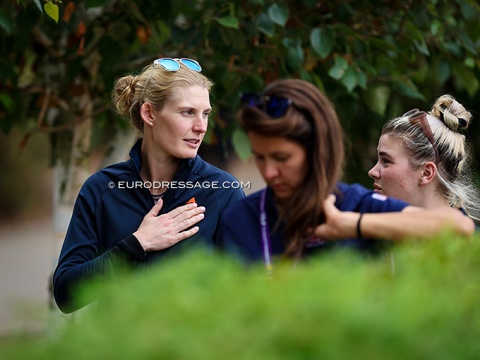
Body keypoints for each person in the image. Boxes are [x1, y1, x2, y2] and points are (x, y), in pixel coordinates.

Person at [53, 58, 245, 313]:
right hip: (121, 351)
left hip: (197, 350)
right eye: (187, 112)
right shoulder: (101, 189)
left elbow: (246, 291)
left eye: (205, 114)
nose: (201, 127)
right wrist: (136, 244)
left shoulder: (223, 191)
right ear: (149, 114)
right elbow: (66, 295)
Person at [216, 79, 474, 269]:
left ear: (317, 150)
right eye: (259, 157)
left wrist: (352, 226)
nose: (269, 172)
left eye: (282, 158)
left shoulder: (356, 205)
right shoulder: (238, 219)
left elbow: (459, 226)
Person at [368, 94, 480, 222]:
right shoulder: (374, 234)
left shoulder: (471, 241)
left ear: (426, 173)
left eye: (386, 161)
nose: (372, 172)